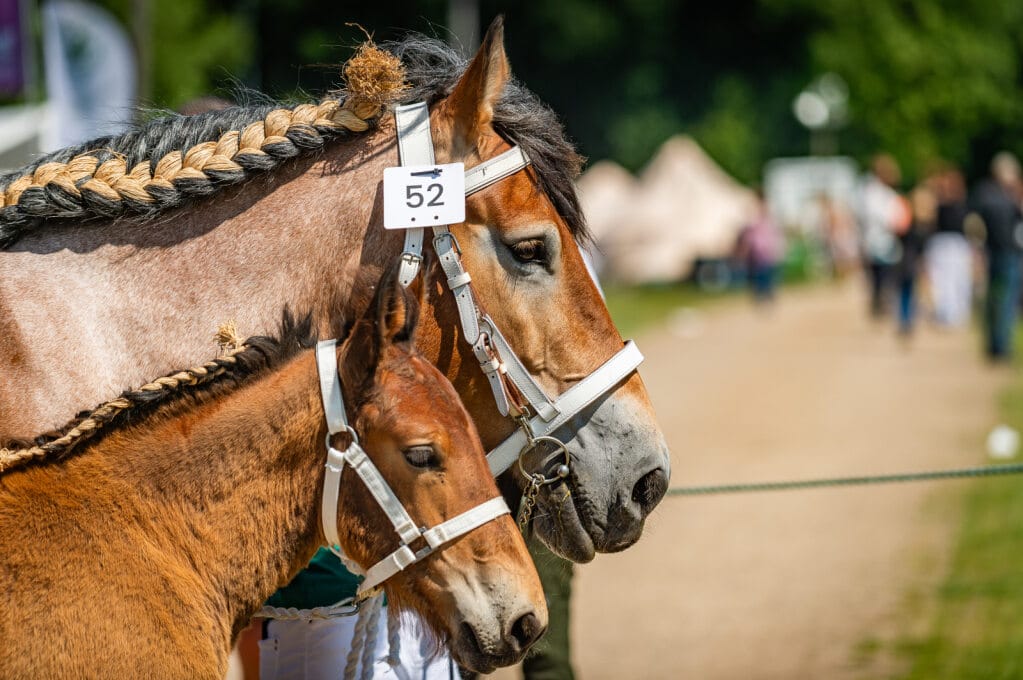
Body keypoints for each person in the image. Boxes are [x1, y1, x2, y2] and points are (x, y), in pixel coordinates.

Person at [972, 151, 1023, 361]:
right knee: (1007, 300)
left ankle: (994, 344)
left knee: (994, 299)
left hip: (991, 253)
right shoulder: (1009, 198)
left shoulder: (984, 194)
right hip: (1009, 254)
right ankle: (1001, 346)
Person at [857, 154, 909, 317]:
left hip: (886, 241)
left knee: (884, 276)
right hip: (878, 242)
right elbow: (878, 216)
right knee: (879, 277)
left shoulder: (886, 194)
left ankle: (882, 304)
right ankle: (879, 305)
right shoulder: (872, 193)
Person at [924, 165, 972, 327]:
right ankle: (945, 313)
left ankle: (955, 314)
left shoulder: (960, 204)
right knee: (942, 280)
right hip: (941, 243)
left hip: (956, 243)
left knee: (957, 280)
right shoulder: (938, 204)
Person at [896, 185, 935, 336]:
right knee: (911, 292)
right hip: (914, 262)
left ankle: (906, 320)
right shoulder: (923, 225)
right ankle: (908, 320)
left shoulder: (909, 222)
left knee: (906, 292)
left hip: (907, 261)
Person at [736, 191, 785, 303]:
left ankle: (766, 296)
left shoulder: (761, 215)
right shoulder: (757, 215)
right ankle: (764, 296)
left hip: (764, 250)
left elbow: (751, 234)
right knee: (762, 276)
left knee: (765, 275)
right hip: (760, 250)